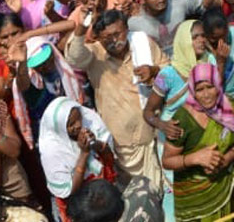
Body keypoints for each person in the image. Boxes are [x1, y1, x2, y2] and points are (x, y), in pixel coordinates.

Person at [64, 10, 164, 191]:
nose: (113, 41)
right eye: (106, 37)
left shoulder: (142, 43)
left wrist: (154, 71)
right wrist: (83, 25)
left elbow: (169, 71)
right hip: (123, 148)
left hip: (155, 136)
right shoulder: (94, 54)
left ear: (126, 28)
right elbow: (74, 57)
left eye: (117, 34)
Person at [161, 63, 234, 222]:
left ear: (218, 86)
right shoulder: (182, 119)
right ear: (192, 90)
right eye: (200, 89)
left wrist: (225, 160)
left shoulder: (229, 107)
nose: (206, 95)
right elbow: (167, 161)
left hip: (224, 186)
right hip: (194, 199)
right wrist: (195, 158)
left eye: (210, 87)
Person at [38, 97, 117, 222]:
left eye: (79, 118)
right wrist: (84, 154)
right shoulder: (52, 152)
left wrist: (94, 143)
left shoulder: (89, 123)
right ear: (60, 128)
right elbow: (70, 192)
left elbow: (110, 159)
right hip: (82, 209)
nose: (79, 125)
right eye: (71, 124)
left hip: (103, 197)